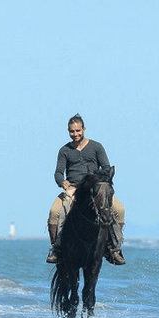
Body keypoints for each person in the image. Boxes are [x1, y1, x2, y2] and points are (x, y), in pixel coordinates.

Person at [47, 113, 126, 265]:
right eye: (72, 131)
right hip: (73, 188)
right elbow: (58, 172)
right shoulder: (64, 150)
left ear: (84, 129)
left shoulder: (96, 146)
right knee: (55, 212)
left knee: (120, 210)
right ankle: (56, 249)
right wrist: (62, 182)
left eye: (78, 130)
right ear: (68, 131)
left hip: (94, 188)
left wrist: (99, 180)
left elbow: (106, 167)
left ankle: (114, 248)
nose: (75, 134)